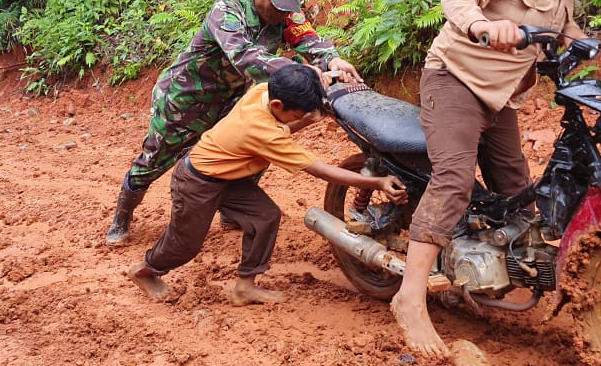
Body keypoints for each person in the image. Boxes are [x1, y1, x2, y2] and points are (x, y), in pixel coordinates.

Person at [389, 0, 601, 357]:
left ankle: (500, 270)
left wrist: (583, 42)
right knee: (454, 180)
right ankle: (410, 296)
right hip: (455, 81)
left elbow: (561, 30)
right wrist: (483, 26)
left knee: (517, 188)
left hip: (501, 98)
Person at [106, 0, 363, 246]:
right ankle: (122, 216)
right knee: (155, 159)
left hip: (231, 100)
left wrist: (332, 59)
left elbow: (309, 39)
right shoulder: (227, 11)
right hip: (184, 98)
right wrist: (300, 72)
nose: (281, 15)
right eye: (277, 7)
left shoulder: (287, 15)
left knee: (253, 149)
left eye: (288, 9)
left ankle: (233, 209)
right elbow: (245, 57)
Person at [126, 64, 408, 304]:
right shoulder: (262, 131)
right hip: (197, 183)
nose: (301, 119)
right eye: (298, 114)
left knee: (265, 217)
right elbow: (319, 170)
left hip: (229, 177)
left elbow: (304, 77)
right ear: (278, 106)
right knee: (185, 244)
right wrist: (377, 182)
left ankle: (245, 286)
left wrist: (328, 76)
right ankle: (146, 271)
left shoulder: (263, 90)